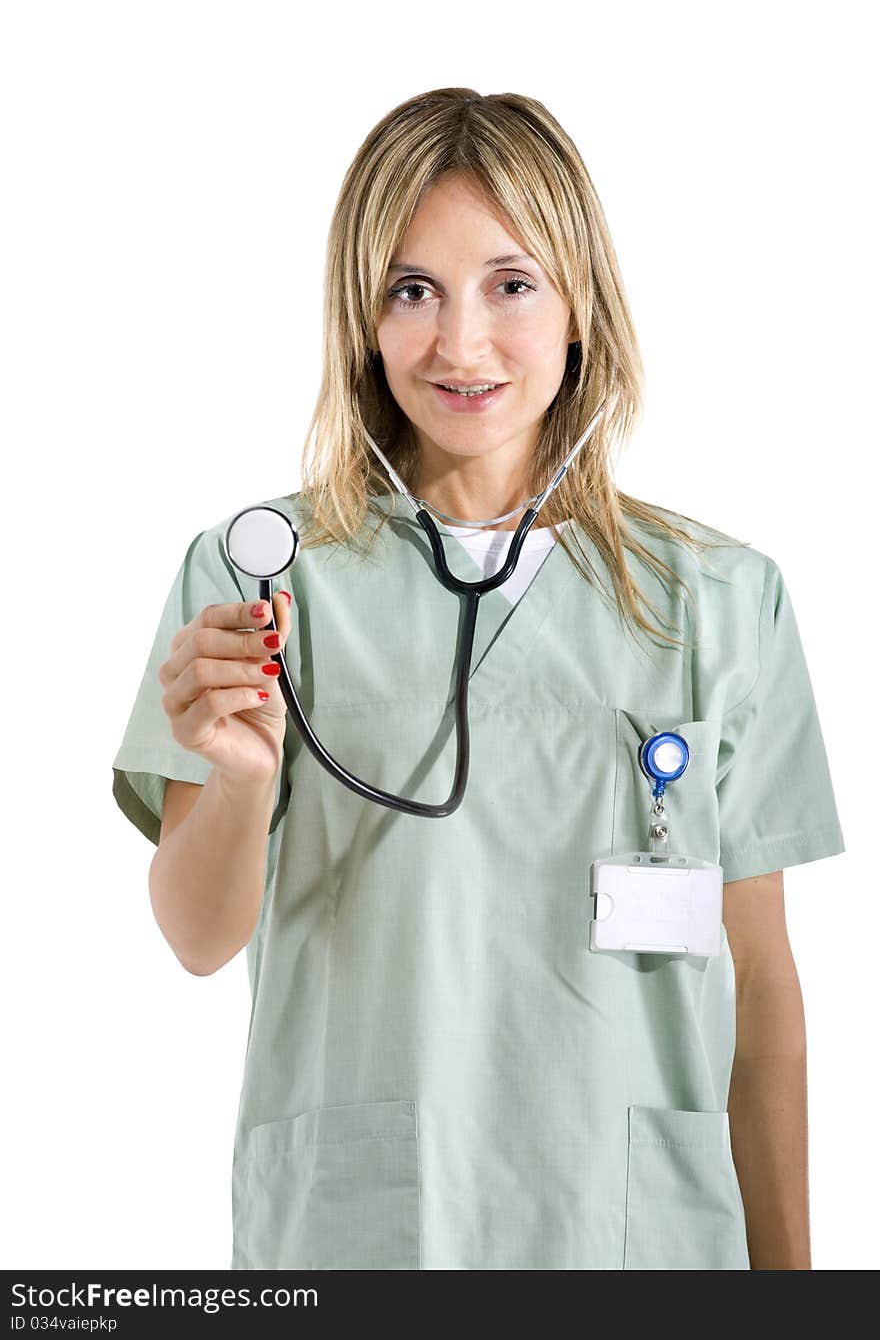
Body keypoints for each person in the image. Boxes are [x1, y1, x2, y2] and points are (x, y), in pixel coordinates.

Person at [112, 87, 845, 1271]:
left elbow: (761, 994)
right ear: (361, 318)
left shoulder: (720, 597)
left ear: (579, 309)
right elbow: (200, 938)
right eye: (411, 291)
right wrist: (244, 780)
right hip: (366, 1236)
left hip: (639, 1237)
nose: (460, 343)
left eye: (511, 284)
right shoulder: (262, 574)